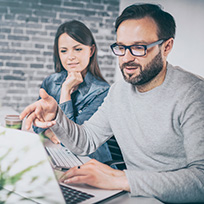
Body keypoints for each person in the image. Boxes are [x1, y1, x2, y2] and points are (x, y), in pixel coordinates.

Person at [20, 4, 204, 203]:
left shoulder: (194, 94)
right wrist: (57, 116)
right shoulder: (118, 91)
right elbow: (86, 141)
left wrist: (124, 179)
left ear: (166, 47)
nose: (126, 58)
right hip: (135, 196)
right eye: (121, 47)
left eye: (138, 48)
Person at [32, 20, 112, 163]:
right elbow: (37, 123)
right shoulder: (51, 82)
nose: (70, 57)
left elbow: (74, 141)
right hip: (60, 156)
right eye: (64, 51)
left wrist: (66, 91)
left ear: (91, 50)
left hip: (92, 163)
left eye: (78, 49)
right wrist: (49, 132)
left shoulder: (102, 92)